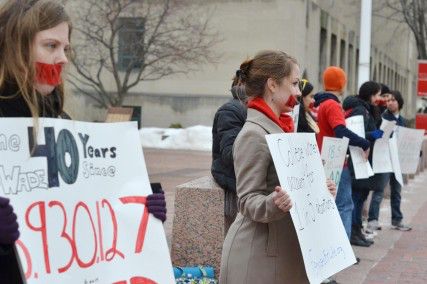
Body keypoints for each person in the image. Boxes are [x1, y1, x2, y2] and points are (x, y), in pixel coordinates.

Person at [0, 1, 166, 282]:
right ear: (16, 47)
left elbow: (86, 211)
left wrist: (139, 210)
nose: (63, 58)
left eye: (66, 48)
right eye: (51, 46)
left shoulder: (61, 122)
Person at [219, 50, 337, 284]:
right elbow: (247, 200)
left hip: (281, 252)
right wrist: (274, 204)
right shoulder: (254, 134)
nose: (298, 92)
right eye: (294, 83)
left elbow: (291, 187)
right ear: (272, 85)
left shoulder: (280, 128)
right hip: (259, 257)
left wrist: (318, 191)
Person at [314, 66, 370, 243]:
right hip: (335, 161)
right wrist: (363, 142)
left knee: (333, 206)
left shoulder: (321, 103)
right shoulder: (333, 104)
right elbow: (340, 131)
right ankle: (343, 249)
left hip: (323, 158)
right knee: (345, 206)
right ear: (341, 84)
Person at [342, 81, 385, 247]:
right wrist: (372, 135)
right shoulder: (360, 109)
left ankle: (357, 230)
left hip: (363, 159)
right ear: (369, 94)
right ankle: (354, 231)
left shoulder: (367, 108)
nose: (378, 99)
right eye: (376, 95)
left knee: (361, 196)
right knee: (357, 197)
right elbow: (354, 133)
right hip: (356, 159)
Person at [367, 90, 412, 231]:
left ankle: (397, 219)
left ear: (399, 102)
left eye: (394, 100)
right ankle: (372, 219)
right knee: (379, 189)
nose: (390, 102)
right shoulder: (383, 117)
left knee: (396, 190)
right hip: (384, 158)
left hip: (397, 160)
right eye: (389, 100)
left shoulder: (403, 120)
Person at [211, 73, 247, 230]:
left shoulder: (252, 108)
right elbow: (230, 153)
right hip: (235, 187)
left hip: (245, 185)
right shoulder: (231, 110)